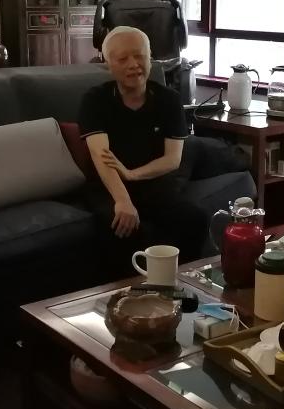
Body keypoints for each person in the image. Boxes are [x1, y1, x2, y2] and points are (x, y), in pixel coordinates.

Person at [79, 26, 208, 270]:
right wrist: (123, 200)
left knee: (195, 219)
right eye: (123, 59)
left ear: (150, 59)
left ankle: (183, 281)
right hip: (107, 185)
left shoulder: (169, 99)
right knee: (123, 226)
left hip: (153, 182)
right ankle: (130, 290)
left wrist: (133, 174)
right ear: (108, 64)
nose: (133, 65)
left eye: (140, 56)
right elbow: (100, 155)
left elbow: (172, 160)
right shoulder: (95, 100)